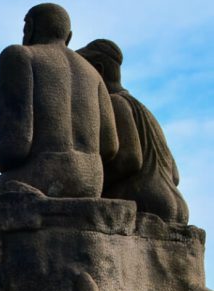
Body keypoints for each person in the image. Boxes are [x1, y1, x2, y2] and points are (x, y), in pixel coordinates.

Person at [0, 3, 117, 273]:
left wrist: (0, 155)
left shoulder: (20, 56)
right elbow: (111, 146)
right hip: (91, 180)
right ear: (69, 36)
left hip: (42, 174)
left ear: (31, 28)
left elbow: (15, 146)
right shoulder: (93, 73)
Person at [76, 39, 188, 224]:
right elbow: (174, 174)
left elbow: (130, 158)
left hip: (146, 201)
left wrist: (92, 183)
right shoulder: (146, 112)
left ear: (98, 70)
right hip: (176, 204)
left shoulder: (115, 103)